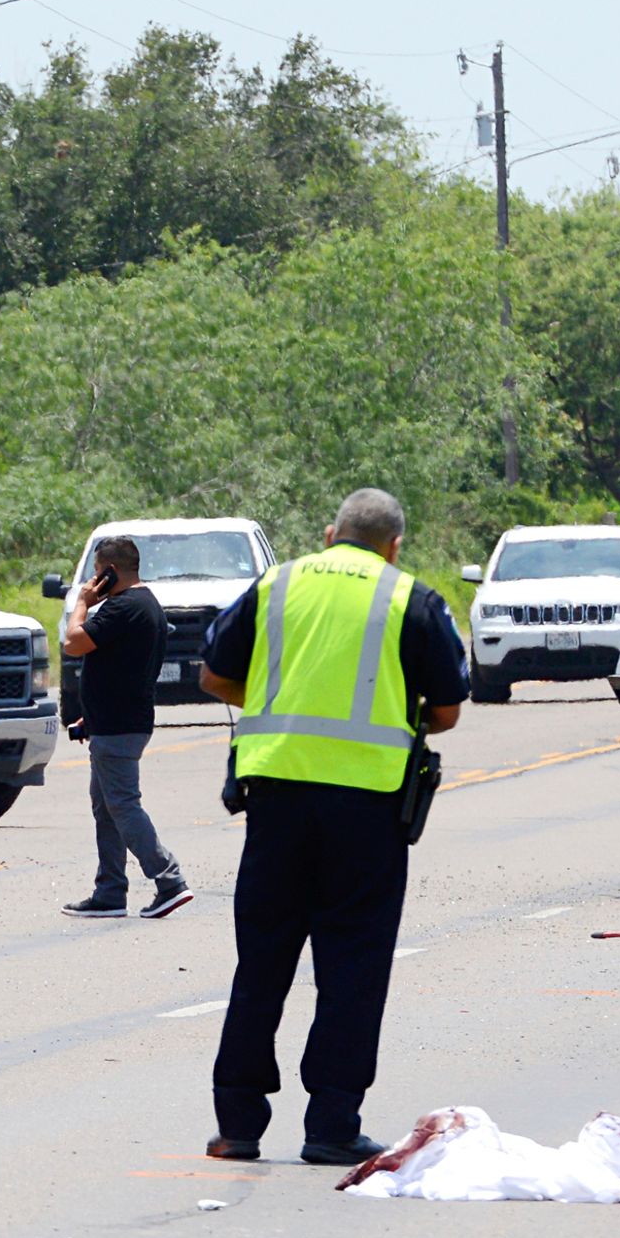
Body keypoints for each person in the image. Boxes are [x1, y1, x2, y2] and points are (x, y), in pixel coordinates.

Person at [198, 489, 469, 1166]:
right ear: (393, 544)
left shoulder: (277, 583)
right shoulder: (411, 597)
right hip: (368, 810)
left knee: (262, 961)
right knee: (352, 968)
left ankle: (237, 1124)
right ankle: (331, 1124)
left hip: (276, 799)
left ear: (330, 534)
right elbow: (447, 710)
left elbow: (215, 675)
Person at [58, 535, 193, 921]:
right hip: (115, 721)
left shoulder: (124, 606)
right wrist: (93, 714)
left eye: (98, 573)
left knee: (123, 806)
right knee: (106, 808)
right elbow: (123, 670)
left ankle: (169, 881)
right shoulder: (142, 605)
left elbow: (74, 643)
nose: (94, 581)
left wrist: (83, 603)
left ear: (110, 571)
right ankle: (110, 892)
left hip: (119, 727)